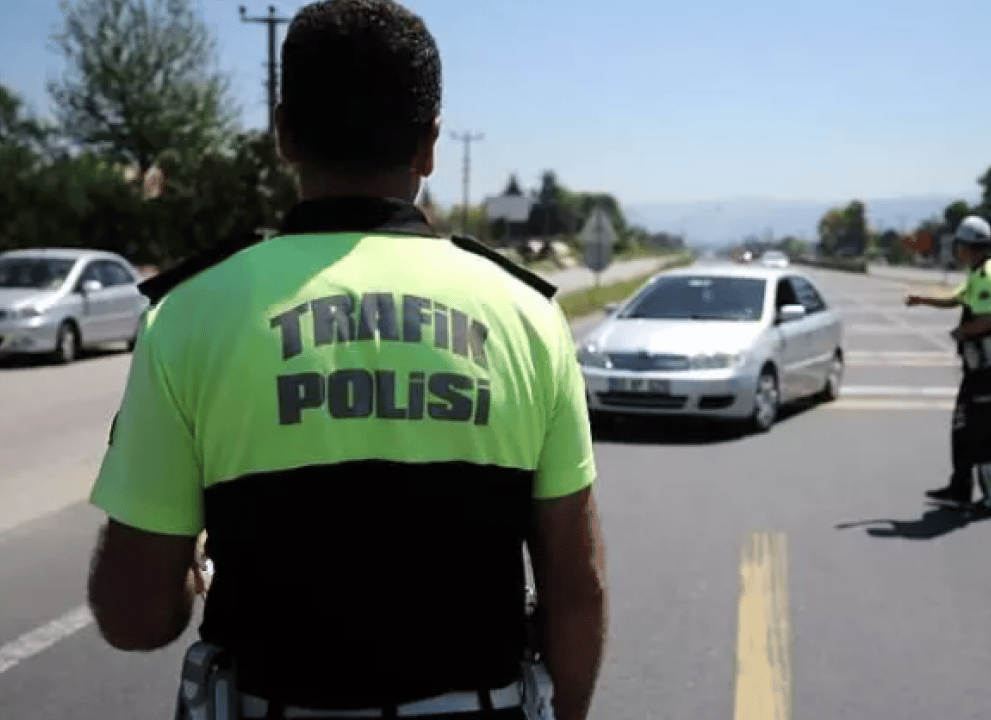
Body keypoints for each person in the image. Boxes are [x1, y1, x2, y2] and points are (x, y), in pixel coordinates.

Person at [83, 2, 608, 719]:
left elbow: (132, 617)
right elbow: (575, 592)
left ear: (284, 135)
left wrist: (187, 575)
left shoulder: (188, 315)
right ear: (428, 147)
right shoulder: (529, 317)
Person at [904, 215, 991, 516]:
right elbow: (958, 300)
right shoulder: (981, 271)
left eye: (960, 246)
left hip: (989, 368)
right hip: (977, 367)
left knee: (983, 434)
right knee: (962, 427)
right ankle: (960, 488)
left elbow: (989, 318)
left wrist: (962, 332)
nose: (957, 251)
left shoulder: (987, 275)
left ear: (971, 246)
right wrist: (922, 299)